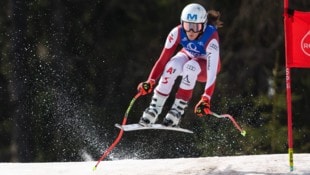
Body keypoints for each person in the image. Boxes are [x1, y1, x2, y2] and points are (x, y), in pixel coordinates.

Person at [137, 3, 223, 127]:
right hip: (189, 54)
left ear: (203, 25)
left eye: (196, 27)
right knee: (173, 65)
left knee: (191, 67)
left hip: (205, 66)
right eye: (188, 26)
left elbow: (212, 72)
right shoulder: (177, 32)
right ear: (182, 23)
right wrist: (150, 81)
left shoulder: (211, 37)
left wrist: (206, 98)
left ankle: (176, 111)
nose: (191, 31)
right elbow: (162, 60)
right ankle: (154, 109)